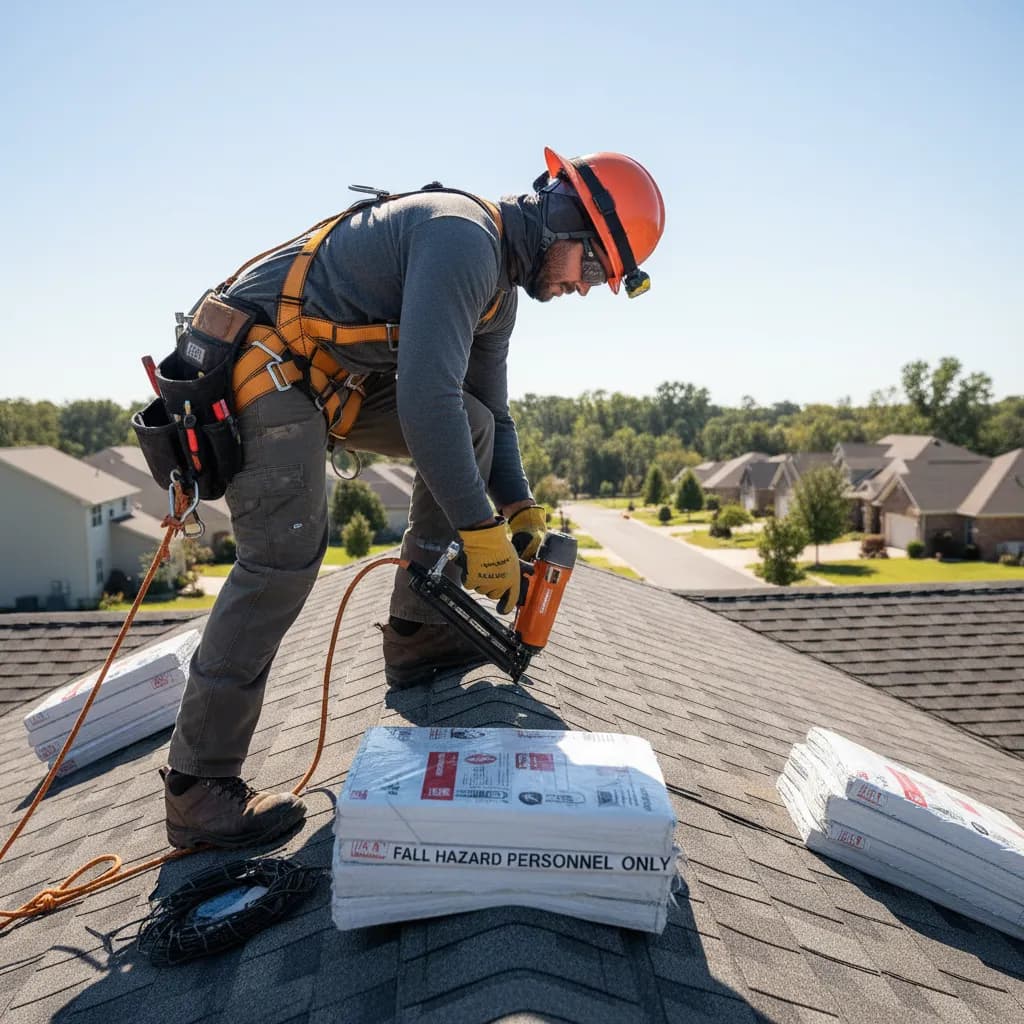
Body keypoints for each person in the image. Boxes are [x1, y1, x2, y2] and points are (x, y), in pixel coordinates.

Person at [160, 148, 665, 850]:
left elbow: (487, 410)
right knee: (282, 559)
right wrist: (477, 528)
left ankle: (418, 629)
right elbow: (427, 403)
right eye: (595, 268)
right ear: (564, 221)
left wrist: (517, 510)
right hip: (263, 359)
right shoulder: (463, 240)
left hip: (325, 375)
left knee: (477, 426)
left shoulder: (500, 293)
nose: (588, 288)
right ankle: (199, 786)